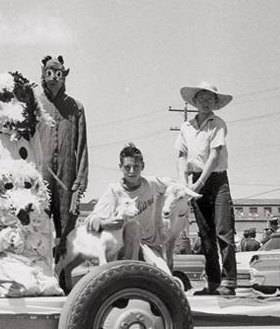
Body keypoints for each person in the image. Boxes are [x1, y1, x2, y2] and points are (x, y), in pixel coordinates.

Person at [176, 82, 238, 295]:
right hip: (194, 180)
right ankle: (213, 282)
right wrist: (184, 183)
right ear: (194, 101)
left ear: (215, 102)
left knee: (223, 231)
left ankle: (229, 281)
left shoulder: (217, 123)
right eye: (201, 97)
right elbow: (181, 156)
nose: (204, 102)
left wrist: (198, 184)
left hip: (217, 180)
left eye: (209, 98)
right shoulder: (186, 127)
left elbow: (214, 156)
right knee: (205, 234)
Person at [34, 56, 88, 288]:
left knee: (66, 229)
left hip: (67, 176)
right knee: (39, 228)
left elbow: (82, 145)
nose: (53, 78)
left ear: (64, 76)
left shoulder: (75, 107)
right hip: (40, 177)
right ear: (43, 75)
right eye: (49, 73)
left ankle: (64, 279)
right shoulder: (34, 104)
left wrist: (81, 180)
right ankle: (42, 279)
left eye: (58, 74)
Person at [86, 143, 172, 262]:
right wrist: (104, 223)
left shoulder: (153, 184)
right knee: (133, 226)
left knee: (164, 274)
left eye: (136, 166)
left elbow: (176, 187)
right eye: (127, 167)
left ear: (142, 166)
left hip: (149, 246)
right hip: (122, 249)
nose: (132, 171)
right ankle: (130, 269)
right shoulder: (114, 191)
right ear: (120, 167)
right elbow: (91, 219)